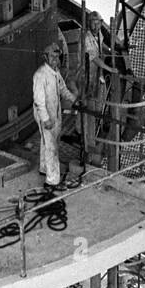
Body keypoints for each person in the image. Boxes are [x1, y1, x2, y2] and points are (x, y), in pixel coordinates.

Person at [33, 42, 77, 189]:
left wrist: (74, 99)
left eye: (57, 57)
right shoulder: (40, 75)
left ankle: (44, 168)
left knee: (47, 142)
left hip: (55, 113)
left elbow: (63, 89)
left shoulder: (55, 72)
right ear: (45, 57)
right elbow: (39, 101)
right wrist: (45, 120)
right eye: (52, 57)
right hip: (45, 115)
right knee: (51, 146)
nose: (55, 60)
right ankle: (52, 181)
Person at [78, 13, 109, 165]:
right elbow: (94, 58)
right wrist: (109, 67)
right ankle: (86, 137)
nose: (96, 26)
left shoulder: (98, 34)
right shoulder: (86, 38)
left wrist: (110, 50)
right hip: (88, 76)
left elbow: (101, 45)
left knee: (94, 105)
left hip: (96, 76)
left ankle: (87, 130)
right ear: (89, 24)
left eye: (98, 23)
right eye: (93, 23)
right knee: (87, 106)